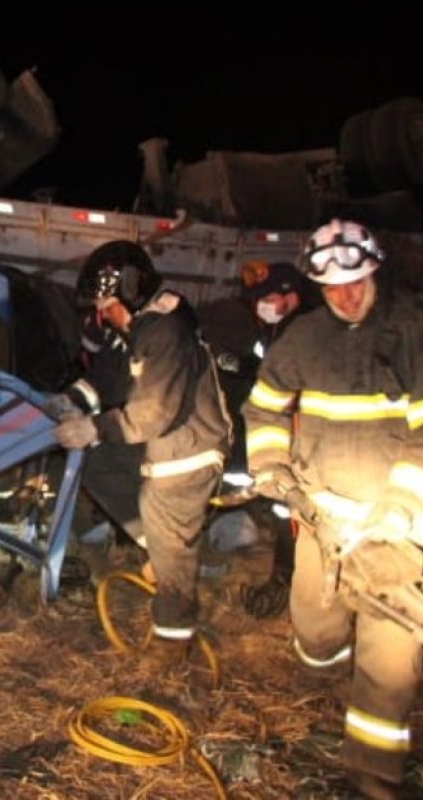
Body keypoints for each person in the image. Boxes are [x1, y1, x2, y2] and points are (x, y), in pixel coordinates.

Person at [242, 219, 422, 799]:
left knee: (388, 663)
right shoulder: (303, 339)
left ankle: (372, 778)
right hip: (323, 519)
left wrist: (399, 507)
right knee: (316, 633)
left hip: (395, 528)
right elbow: (264, 408)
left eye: (357, 282)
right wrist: (272, 468)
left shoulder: (413, 330)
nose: (346, 296)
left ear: (374, 272)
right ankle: (331, 684)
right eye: (333, 286)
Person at [51, 240, 232, 654]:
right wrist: (72, 401)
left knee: (168, 546)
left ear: (131, 292)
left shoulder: (166, 331)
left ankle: (171, 649)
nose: (102, 314)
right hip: (163, 444)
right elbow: (108, 379)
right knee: (97, 466)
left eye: (107, 303)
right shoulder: (134, 331)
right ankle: (163, 545)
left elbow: (152, 414)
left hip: (188, 453)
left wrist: (93, 428)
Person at [225, 260, 322, 617]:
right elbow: (266, 367)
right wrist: (239, 365)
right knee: (285, 510)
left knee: (294, 512)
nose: (258, 306)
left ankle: (290, 580)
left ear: (290, 296)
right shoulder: (276, 328)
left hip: (304, 432)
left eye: (265, 299)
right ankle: (287, 574)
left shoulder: (309, 330)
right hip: (283, 425)